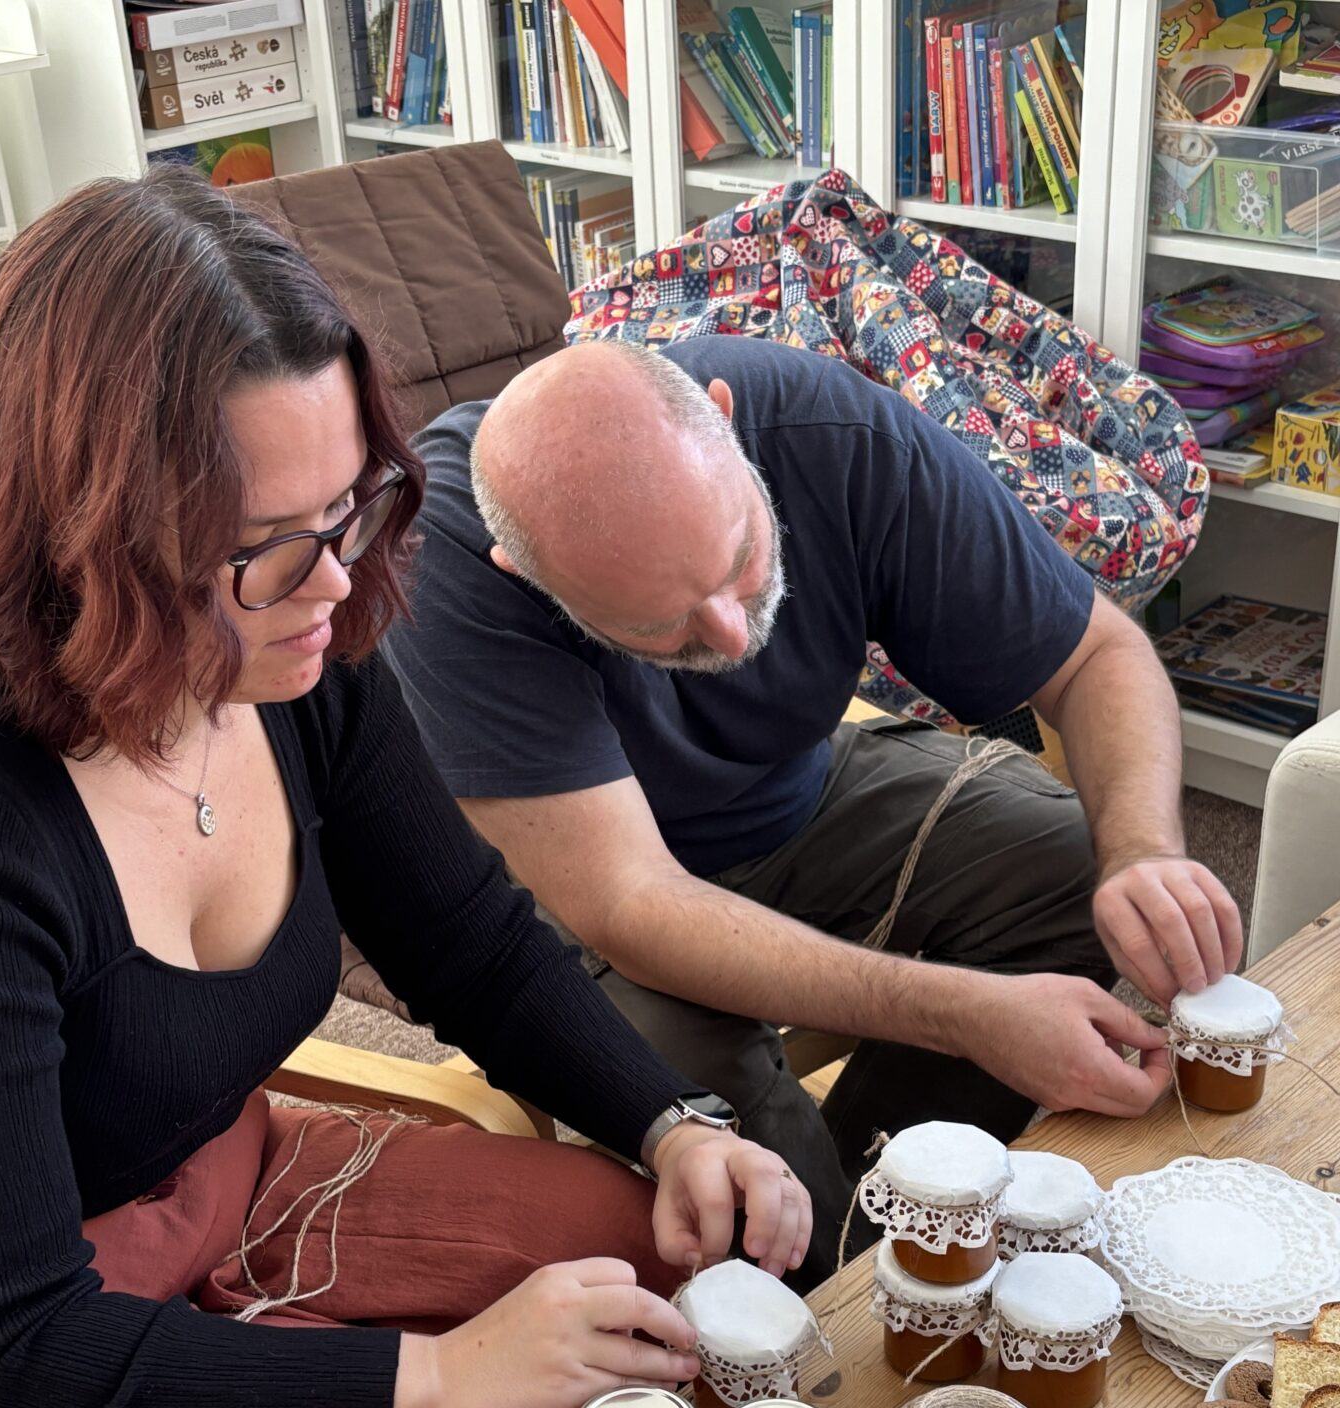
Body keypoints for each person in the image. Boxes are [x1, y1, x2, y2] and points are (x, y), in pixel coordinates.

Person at [0, 172, 810, 1408]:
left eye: (353, 509)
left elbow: (470, 939)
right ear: (84, 545)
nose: (334, 582)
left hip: (227, 1181)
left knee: (661, 1290)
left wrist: (672, 1124)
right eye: (266, 548)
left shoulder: (291, 652)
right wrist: (442, 1383)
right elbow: (16, 1343)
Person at [383, 336, 1244, 1280]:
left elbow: (1096, 658)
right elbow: (632, 905)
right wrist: (967, 1015)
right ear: (523, 570)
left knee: (1079, 868)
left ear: (725, 421)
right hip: (571, 884)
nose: (728, 635)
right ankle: (841, 1287)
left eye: (742, 559)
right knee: (725, 1144)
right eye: (655, 624)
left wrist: (1143, 851)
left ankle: (890, 1210)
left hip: (793, 790)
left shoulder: (829, 431)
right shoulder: (438, 556)